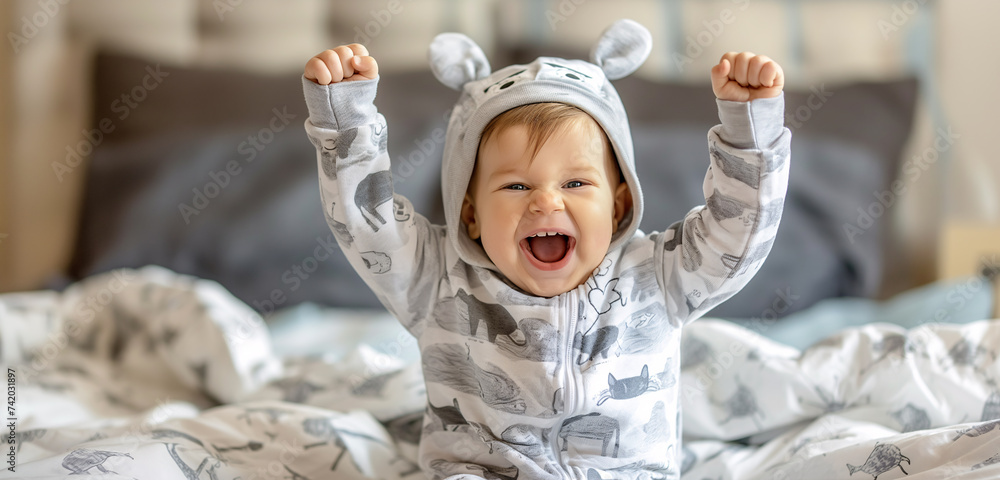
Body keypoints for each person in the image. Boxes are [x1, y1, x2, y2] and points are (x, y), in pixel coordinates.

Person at [302, 19, 789, 480]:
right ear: (469, 213)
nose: (546, 201)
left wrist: (749, 135)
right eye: (515, 186)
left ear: (619, 206)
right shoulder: (436, 280)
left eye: (576, 182)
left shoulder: (658, 277)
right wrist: (348, 124)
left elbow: (736, 235)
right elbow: (368, 223)